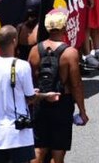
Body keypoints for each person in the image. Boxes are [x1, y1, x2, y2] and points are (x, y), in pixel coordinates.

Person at [0, 25, 61, 163]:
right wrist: (46, 96)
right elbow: (30, 96)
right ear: (14, 41)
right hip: (18, 134)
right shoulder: (22, 65)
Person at [28, 9, 88, 163]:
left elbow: (31, 79)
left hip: (40, 102)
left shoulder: (35, 50)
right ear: (64, 28)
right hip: (62, 103)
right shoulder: (70, 53)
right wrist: (82, 110)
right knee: (58, 149)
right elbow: (76, 85)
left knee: (39, 147)